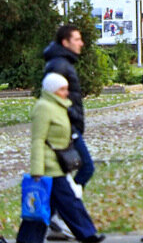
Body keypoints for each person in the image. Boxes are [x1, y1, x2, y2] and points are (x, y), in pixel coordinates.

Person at [16, 73, 104, 243]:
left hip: (57, 165)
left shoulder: (59, 106)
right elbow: (38, 140)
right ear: (52, 90)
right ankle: (88, 235)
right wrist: (37, 170)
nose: (66, 92)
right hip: (49, 166)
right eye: (62, 89)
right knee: (68, 202)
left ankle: (27, 239)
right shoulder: (43, 108)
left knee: (42, 206)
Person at [43, 26, 95, 189]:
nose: (81, 43)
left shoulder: (64, 63)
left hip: (70, 123)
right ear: (65, 42)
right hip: (67, 125)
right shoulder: (59, 65)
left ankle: (61, 208)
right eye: (77, 39)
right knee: (86, 167)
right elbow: (54, 96)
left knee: (63, 172)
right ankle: (70, 203)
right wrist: (71, 115)